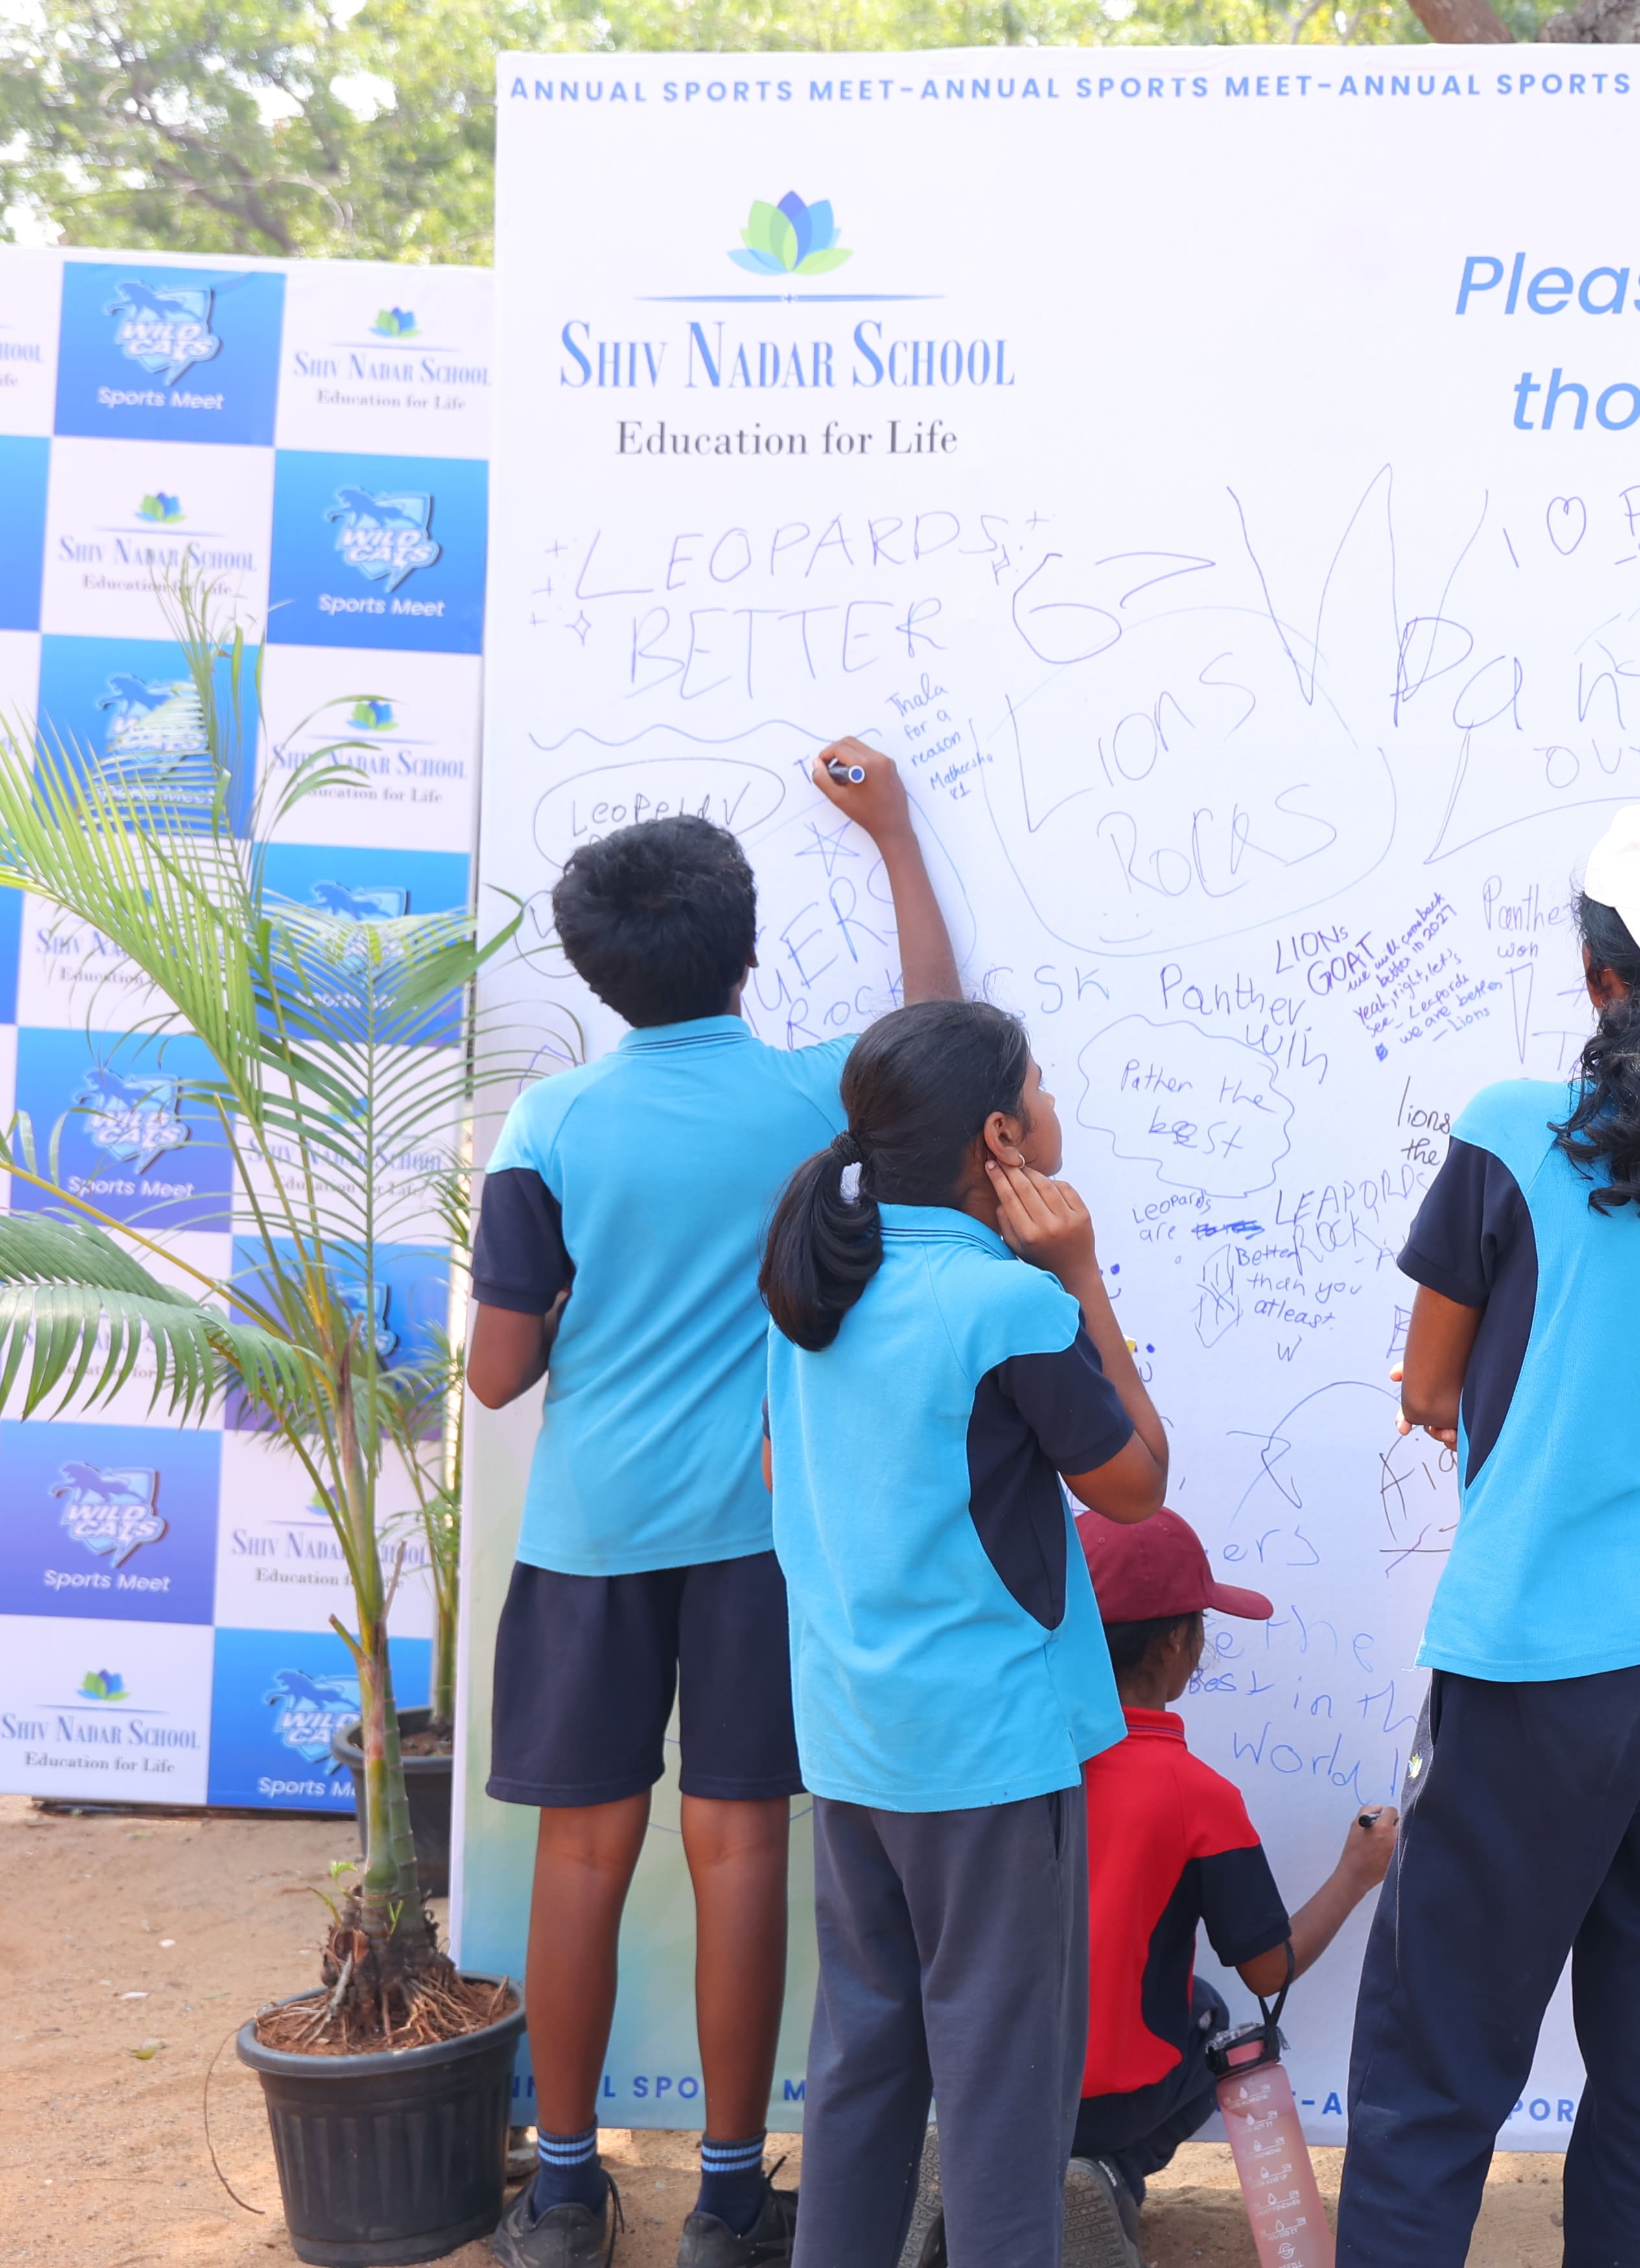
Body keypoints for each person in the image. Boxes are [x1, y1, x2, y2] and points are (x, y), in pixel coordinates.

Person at [470, 741, 954, 2268]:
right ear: (745, 949)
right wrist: (895, 839)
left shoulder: (549, 1124)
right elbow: (937, 1032)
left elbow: (498, 1374)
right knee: (741, 1851)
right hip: (764, 1532)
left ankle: (564, 2192)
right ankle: (730, 2201)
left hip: (592, 1533)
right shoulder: (814, 1095)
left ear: (594, 971)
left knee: (581, 1855)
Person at [1340, 798, 1640, 2268]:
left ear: (1601, 973)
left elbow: (1428, 1386)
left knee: (1432, 2073)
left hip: (1536, 1666)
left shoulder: (1509, 1133)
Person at [756, 1000, 1170, 2268]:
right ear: (1000, 1137)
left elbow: (780, 1474)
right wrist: (1080, 1274)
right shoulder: (1008, 1302)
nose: (1052, 1109)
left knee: (862, 2067)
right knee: (1002, 2094)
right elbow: (1138, 1483)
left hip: (854, 1740)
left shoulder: (817, 1287)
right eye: (1039, 1090)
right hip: (989, 1755)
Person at [1065, 1506, 1400, 2255]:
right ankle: (1111, 2172)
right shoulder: (1197, 1795)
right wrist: (1355, 1874)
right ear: (1176, 1641)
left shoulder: (1013, 1763)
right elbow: (1268, 1970)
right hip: (1110, 2107)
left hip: (993, 2090)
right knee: (1213, 2014)